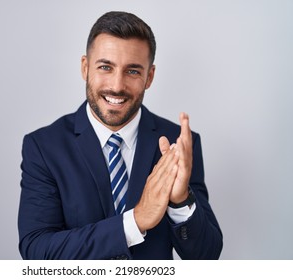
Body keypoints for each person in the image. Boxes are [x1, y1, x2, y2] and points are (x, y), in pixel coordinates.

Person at [18, 11, 223, 260]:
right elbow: (37, 251)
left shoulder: (178, 144)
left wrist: (180, 200)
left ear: (150, 77)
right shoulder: (43, 147)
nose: (117, 86)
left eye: (133, 71)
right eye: (106, 67)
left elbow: (207, 256)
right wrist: (134, 222)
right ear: (85, 67)